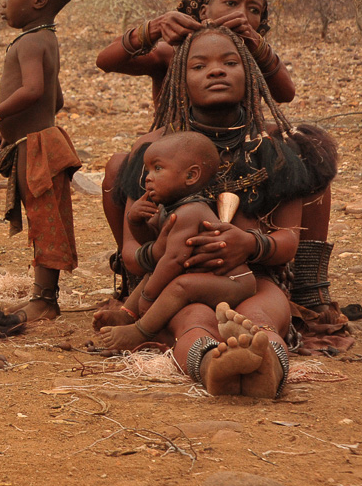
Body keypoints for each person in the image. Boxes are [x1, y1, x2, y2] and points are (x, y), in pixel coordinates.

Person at [95, 0, 344, 337]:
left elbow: (285, 95)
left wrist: (255, 47)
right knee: (126, 164)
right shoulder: (173, 47)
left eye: (254, 9)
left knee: (302, 161)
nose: (243, 13)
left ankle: (308, 285)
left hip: (238, 138)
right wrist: (152, 29)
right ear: (202, 7)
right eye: (232, 3)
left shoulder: (249, 49)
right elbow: (106, 60)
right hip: (177, 146)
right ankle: (141, 282)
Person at [110, 24, 336, 397]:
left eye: (229, 62)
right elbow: (131, 253)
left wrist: (248, 244)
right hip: (175, 286)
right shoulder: (155, 155)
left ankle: (269, 369)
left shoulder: (275, 152)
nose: (216, 70)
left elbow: (287, 241)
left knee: (261, 318)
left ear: (249, 75)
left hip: (254, 276)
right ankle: (213, 367)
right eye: (199, 66)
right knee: (194, 322)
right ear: (178, 81)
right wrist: (164, 249)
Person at [0, 0, 80, 325]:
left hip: (39, 148)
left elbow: (32, 90)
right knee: (44, 220)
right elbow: (55, 98)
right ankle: (44, 296)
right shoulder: (46, 39)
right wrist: (8, 132)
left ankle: (45, 301)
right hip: (40, 141)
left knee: (46, 223)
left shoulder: (29, 42)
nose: (3, 2)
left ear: (39, 0)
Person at [93, 130, 254, 352]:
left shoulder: (190, 211)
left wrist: (148, 297)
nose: (148, 177)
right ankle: (126, 316)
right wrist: (135, 222)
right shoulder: (170, 207)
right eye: (148, 170)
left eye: (157, 169)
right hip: (207, 275)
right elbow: (152, 243)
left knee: (180, 285)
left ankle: (141, 331)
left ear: (190, 176)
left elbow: (173, 260)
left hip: (234, 282)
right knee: (155, 273)